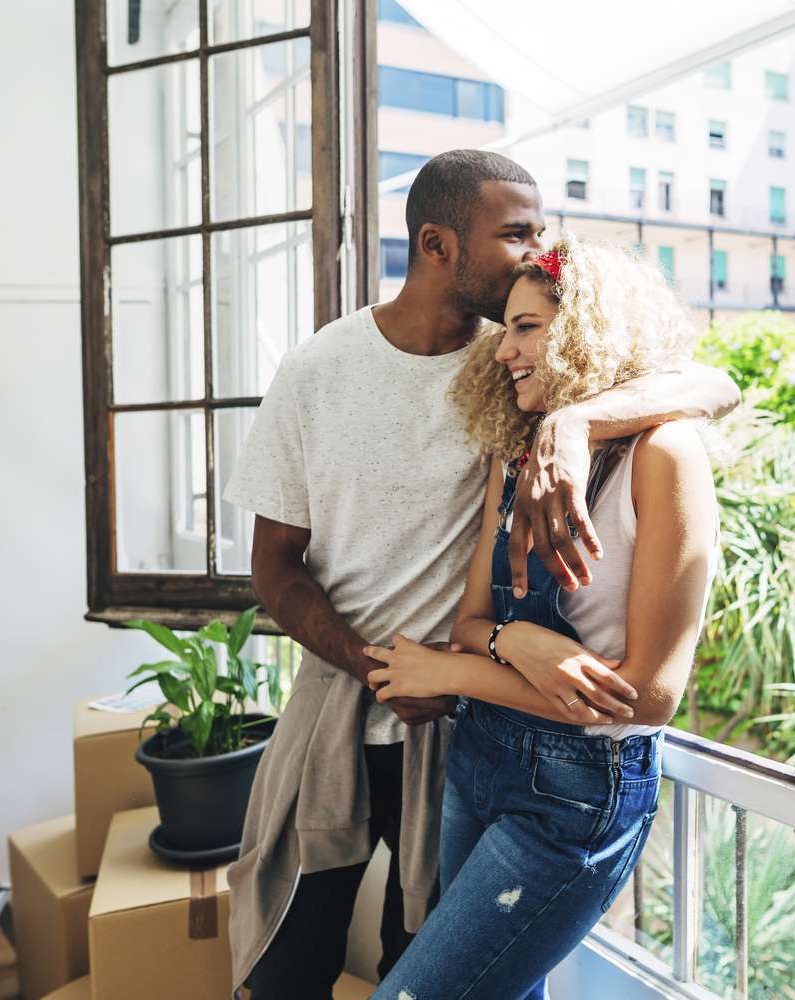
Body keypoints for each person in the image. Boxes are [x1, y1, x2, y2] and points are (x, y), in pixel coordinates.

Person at [221, 150, 739, 1000]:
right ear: (437, 244)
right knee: (284, 960)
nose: (540, 246)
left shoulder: (527, 365)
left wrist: (575, 422)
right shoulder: (323, 372)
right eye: (518, 232)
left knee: (418, 959)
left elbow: (713, 384)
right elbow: (272, 565)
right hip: (352, 703)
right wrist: (375, 666)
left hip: (469, 725)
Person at [363, 235, 720, 999]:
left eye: (527, 327)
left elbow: (646, 698)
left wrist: (455, 672)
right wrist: (510, 640)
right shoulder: (518, 451)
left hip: (577, 794)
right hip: (480, 756)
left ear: (588, 329)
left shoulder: (666, 456)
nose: (504, 352)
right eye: (506, 329)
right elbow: (470, 621)